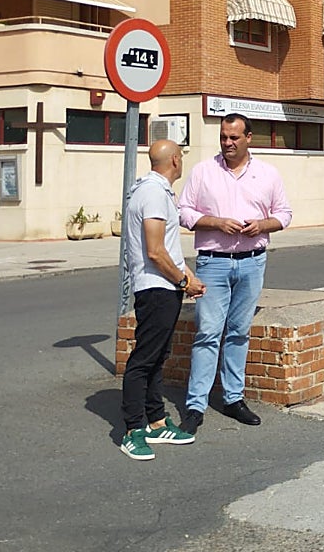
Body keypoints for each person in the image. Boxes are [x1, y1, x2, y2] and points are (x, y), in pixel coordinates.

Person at [179, 113, 292, 434]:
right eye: (223, 137)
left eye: (234, 138)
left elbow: (284, 213)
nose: (227, 143)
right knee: (207, 333)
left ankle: (233, 398)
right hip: (213, 262)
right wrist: (216, 222)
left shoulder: (268, 174)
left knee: (239, 332)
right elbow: (184, 211)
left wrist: (262, 224)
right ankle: (195, 404)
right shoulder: (203, 171)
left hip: (252, 261)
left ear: (248, 138)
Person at [120, 139, 206, 461]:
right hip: (156, 288)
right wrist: (182, 280)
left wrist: (188, 278)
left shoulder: (156, 191)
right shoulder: (154, 193)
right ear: (173, 160)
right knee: (144, 359)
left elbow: (167, 248)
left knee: (157, 356)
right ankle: (132, 430)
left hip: (164, 287)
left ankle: (156, 421)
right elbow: (155, 251)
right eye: (181, 156)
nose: (182, 161)